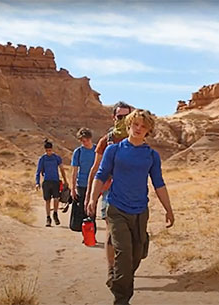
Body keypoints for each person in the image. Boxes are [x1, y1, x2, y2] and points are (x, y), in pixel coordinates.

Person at [87, 109, 175, 305]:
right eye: (135, 124)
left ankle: (118, 278)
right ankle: (122, 298)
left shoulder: (151, 155)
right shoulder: (114, 150)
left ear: (148, 131)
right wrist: (93, 198)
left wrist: (168, 209)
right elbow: (101, 175)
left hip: (140, 211)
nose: (138, 129)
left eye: (143, 126)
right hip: (116, 208)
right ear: (128, 125)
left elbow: (159, 183)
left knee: (136, 256)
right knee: (124, 252)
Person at [84, 101, 132, 278]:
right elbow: (95, 168)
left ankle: (126, 264)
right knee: (112, 232)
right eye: (120, 117)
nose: (123, 120)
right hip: (109, 193)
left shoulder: (137, 140)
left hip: (132, 193)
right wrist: (90, 197)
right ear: (114, 118)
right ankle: (112, 270)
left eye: (126, 117)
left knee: (132, 235)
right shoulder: (106, 141)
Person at [35, 139, 68, 227]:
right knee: (47, 200)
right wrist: (37, 182)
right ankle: (48, 217)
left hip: (55, 181)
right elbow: (38, 171)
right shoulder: (42, 159)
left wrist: (65, 180)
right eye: (47, 151)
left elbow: (61, 169)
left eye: (50, 150)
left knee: (56, 199)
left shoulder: (57, 158)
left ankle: (55, 214)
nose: (49, 152)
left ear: (52, 149)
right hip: (46, 182)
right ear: (45, 150)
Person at [69, 128, 96, 229]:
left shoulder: (97, 150)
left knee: (92, 209)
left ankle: (92, 234)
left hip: (94, 184)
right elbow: (74, 171)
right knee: (82, 210)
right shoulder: (78, 152)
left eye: (87, 140)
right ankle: (86, 234)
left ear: (90, 138)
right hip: (81, 184)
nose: (85, 143)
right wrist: (73, 189)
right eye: (83, 141)